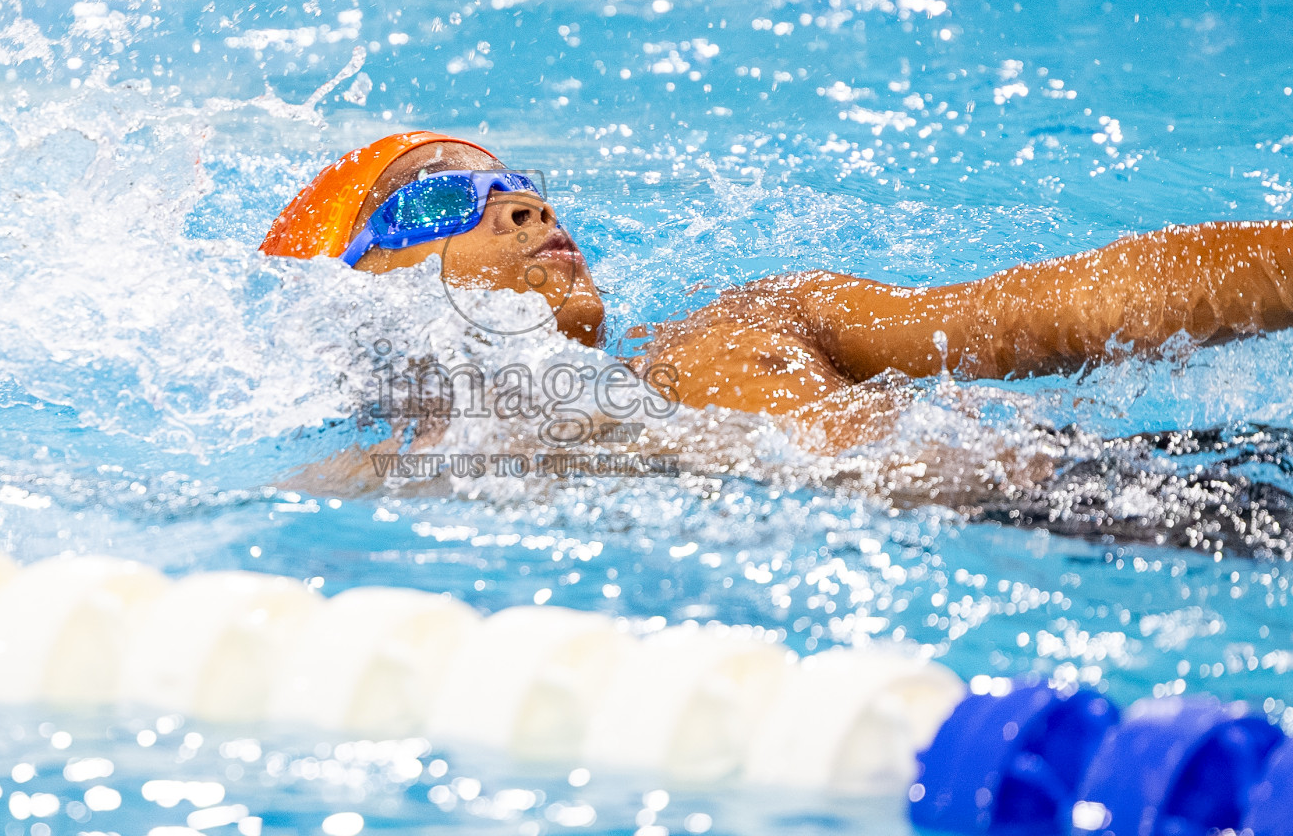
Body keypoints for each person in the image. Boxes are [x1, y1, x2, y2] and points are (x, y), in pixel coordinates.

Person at [264, 132, 1293, 555]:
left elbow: (1061, 306)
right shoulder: (385, 484)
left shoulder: (745, 325)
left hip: (1133, 488)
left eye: (521, 183)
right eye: (450, 196)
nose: (524, 204)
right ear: (363, 282)